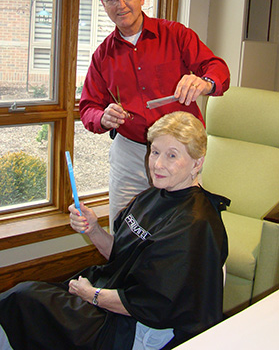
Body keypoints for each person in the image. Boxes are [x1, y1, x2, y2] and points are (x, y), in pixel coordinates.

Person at [0, 111, 229, 350]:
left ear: (197, 161)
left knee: (23, 302)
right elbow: (123, 255)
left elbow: (154, 304)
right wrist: (93, 229)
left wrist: (92, 295)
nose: (158, 164)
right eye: (155, 152)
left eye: (172, 155)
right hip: (112, 294)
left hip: (133, 329)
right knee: (23, 301)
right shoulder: (153, 196)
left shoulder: (195, 225)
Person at [79, 0, 230, 231]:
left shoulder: (176, 34)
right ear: (104, 5)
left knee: (186, 226)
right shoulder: (103, 55)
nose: (121, 5)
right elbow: (88, 107)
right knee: (124, 227)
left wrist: (204, 82)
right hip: (130, 151)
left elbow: (218, 70)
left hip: (178, 150)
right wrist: (102, 117)